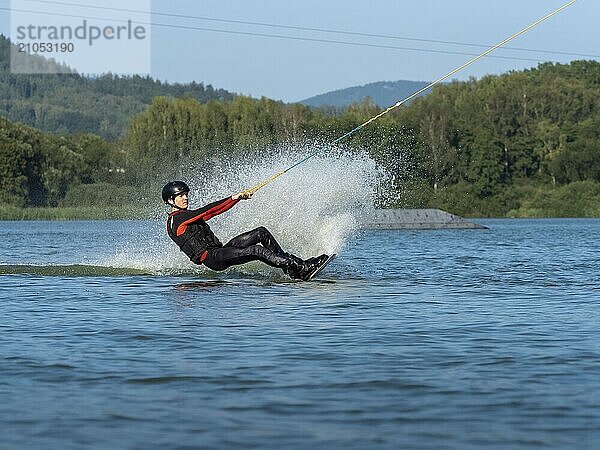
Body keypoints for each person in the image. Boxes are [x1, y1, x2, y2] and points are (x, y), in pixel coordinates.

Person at [162, 181, 329, 280]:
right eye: (180, 195)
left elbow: (213, 212)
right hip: (212, 258)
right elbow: (207, 210)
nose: (185, 198)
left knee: (260, 232)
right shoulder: (177, 219)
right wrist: (234, 197)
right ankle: (301, 267)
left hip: (219, 251)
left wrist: (238, 199)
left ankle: (290, 269)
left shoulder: (185, 216)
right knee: (256, 250)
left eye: (186, 194)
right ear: (171, 200)